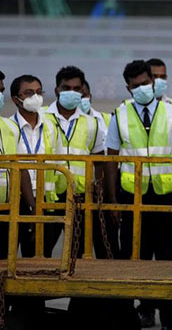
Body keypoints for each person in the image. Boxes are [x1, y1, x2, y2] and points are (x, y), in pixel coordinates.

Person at [105, 60, 172, 330]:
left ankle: (167, 317)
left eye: (146, 83)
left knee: (166, 260)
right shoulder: (119, 114)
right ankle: (137, 315)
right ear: (128, 87)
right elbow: (110, 160)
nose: (143, 88)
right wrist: (113, 202)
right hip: (132, 197)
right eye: (137, 85)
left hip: (166, 195)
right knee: (134, 259)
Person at [43, 66, 106, 257]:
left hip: (79, 195)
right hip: (49, 195)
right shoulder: (41, 117)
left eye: (76, 89)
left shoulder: (92, 123)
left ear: (82, 91)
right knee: (41, 249)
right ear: (56, 90)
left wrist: (98, 187)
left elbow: (100, 160)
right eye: (66, 88)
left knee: (77, 253)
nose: (72, 92)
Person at [10, 74, 63, 258]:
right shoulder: (9, 127)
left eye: (39, 92)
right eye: (29, 93)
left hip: (45, 200)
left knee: (40, 257)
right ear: (15, 99)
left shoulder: (51, 126)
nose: (35, 97)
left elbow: (59, 162)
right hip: (15, 202)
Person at [0, 70, 35, 259]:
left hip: (6, 210)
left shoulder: (9, 127)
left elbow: (20, 168)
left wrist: (32, 207)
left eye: (1, 90)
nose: (0, 95)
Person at [80, 80, 112, 152]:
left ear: (90, 97)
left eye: (83, 96)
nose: (80, 100)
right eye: (77, 97)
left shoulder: (106, 119)